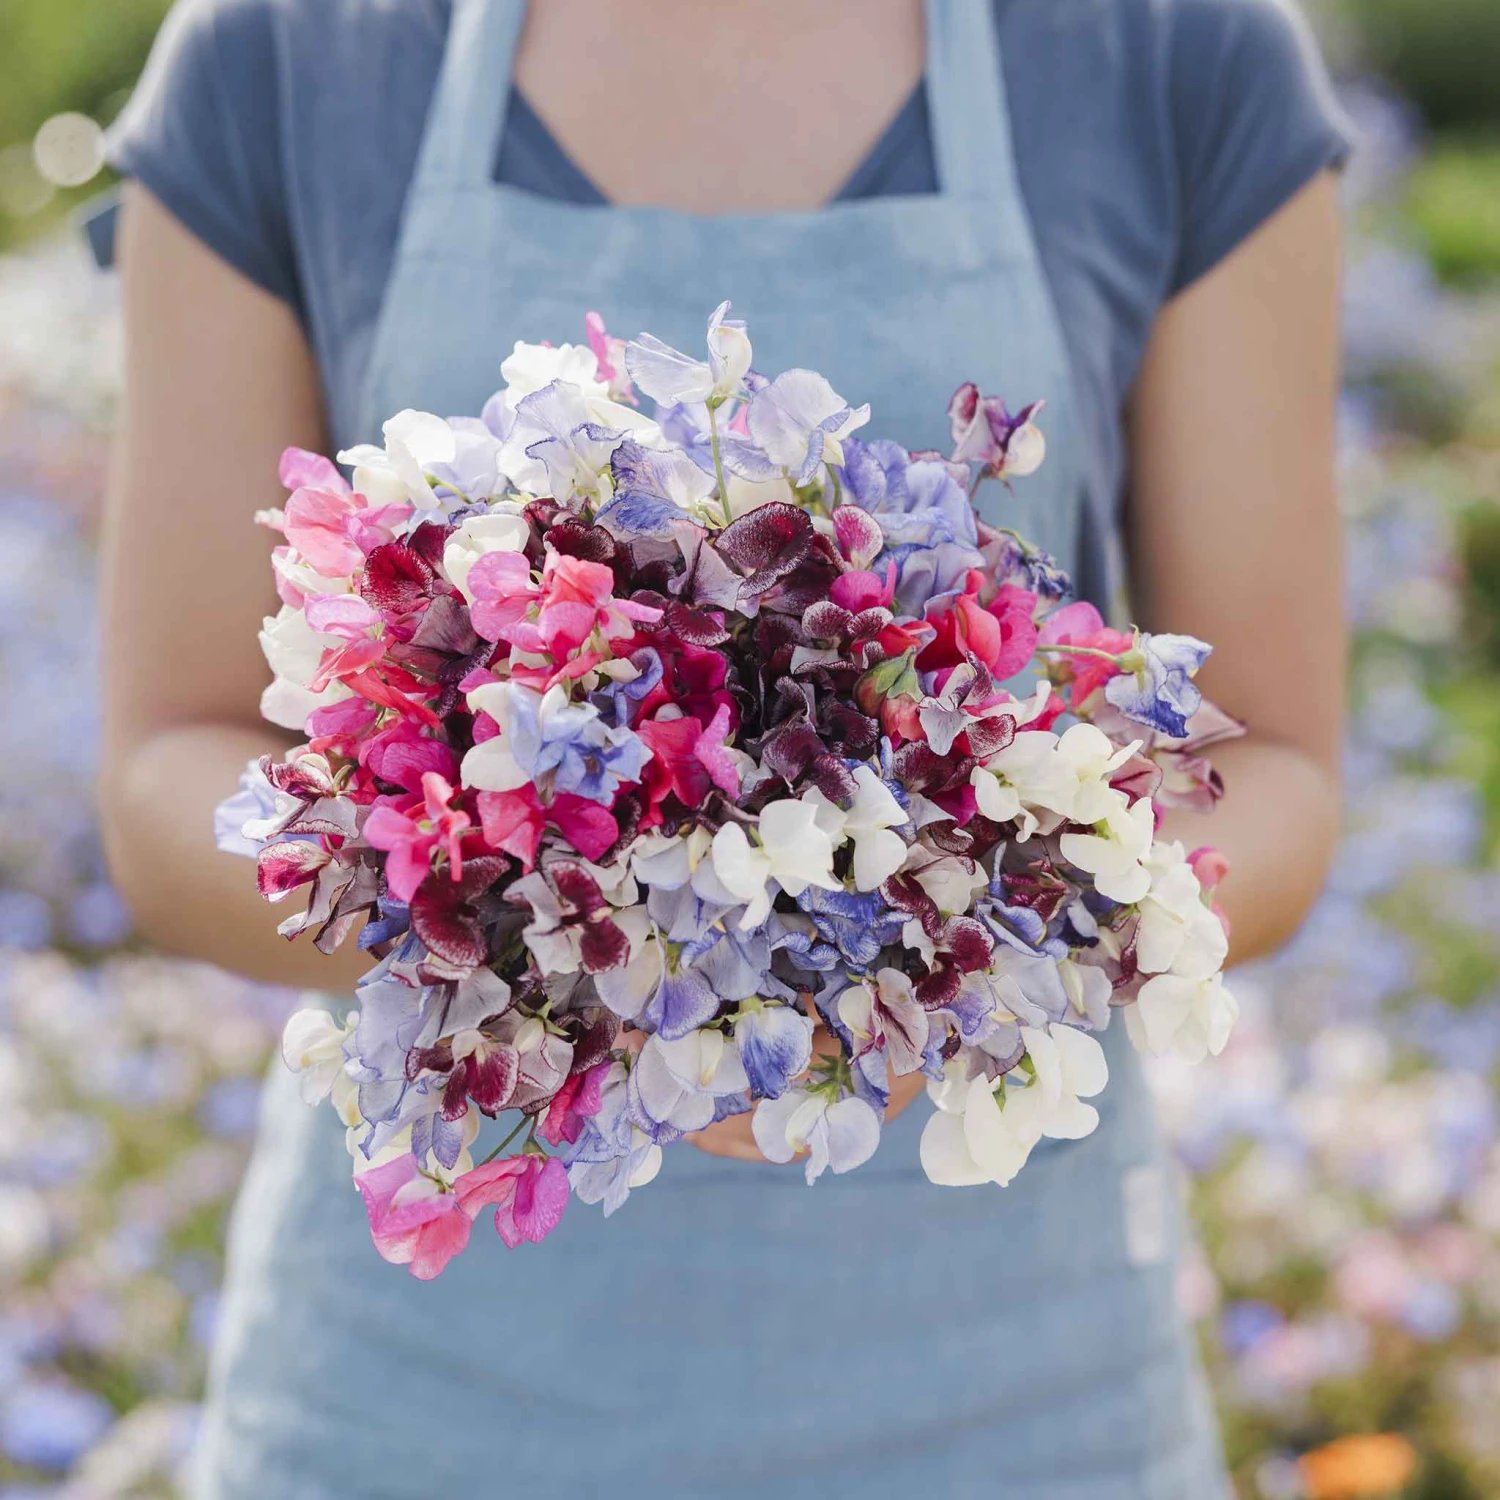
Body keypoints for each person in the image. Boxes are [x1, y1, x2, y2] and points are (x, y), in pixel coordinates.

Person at [96, 0, 1350, 1494]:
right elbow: (172, 759)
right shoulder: (290, 51)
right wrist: (567, 952)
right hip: (419, 1411)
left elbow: (1273, 765)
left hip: (1015, 1395)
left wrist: (964, 946)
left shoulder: (1171, 51)